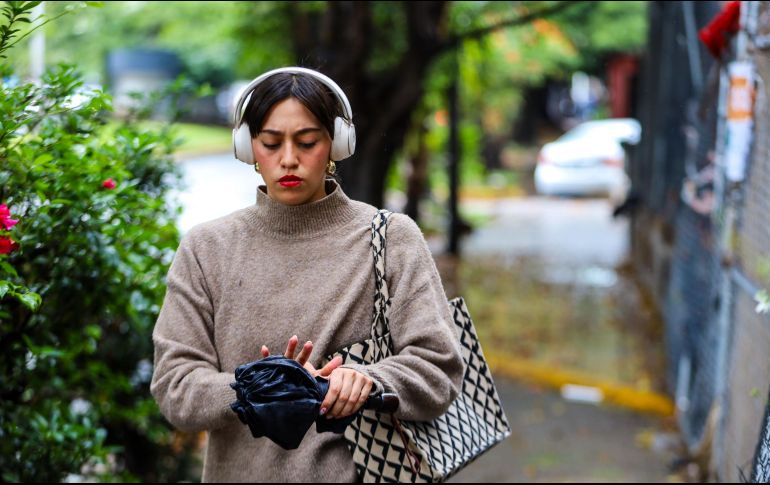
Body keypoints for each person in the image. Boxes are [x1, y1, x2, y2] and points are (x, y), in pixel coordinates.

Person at [150, 66, 464, 482]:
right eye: (271, 142)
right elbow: (175, 386)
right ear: (248, 148)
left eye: (307, 141)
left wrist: (366, 381)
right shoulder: (207, 249)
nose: (288, 159)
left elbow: (439, 369)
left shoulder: (391, 239)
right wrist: (254, 389)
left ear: (337, 143)